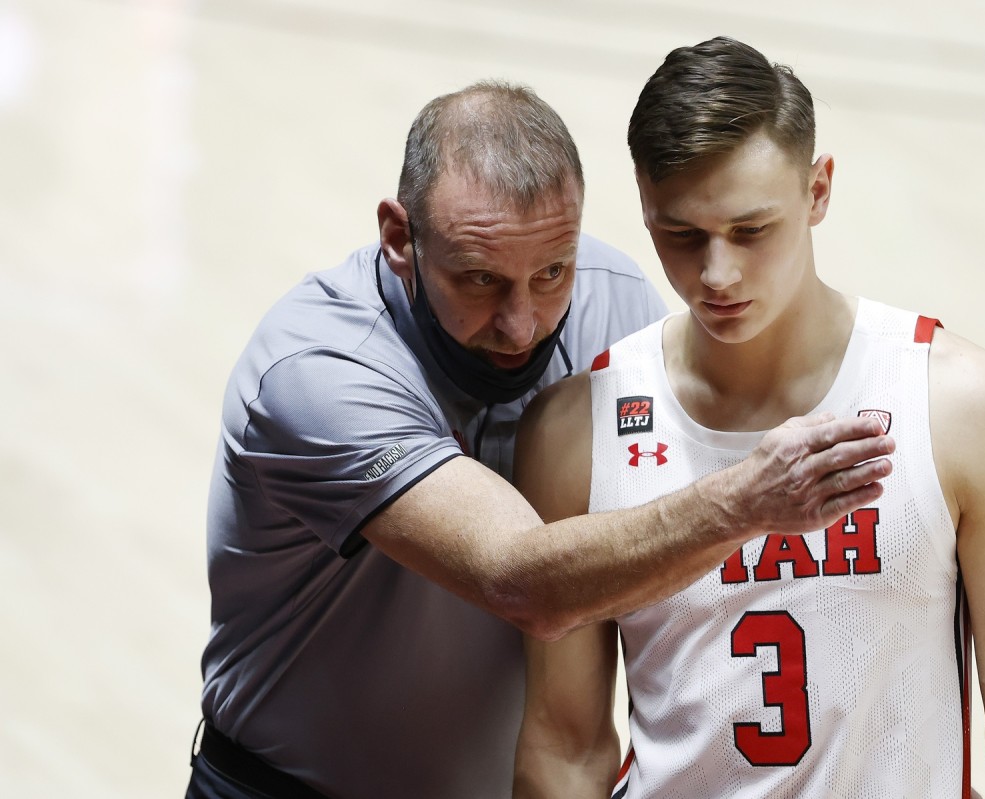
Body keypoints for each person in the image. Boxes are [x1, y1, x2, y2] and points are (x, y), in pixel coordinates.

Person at [187, 80, 897, 799]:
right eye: (480, 279)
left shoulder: (612, 302)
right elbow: (519, 581)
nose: (521, 324)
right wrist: (743, 503)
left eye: (553, 271)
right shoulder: (318, 370)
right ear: (401, 239)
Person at [513, 37, 985, 799]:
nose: (716, 274)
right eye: (681, 235)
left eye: (751, 231)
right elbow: (565, 743)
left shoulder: (965, 405)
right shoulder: (574, 431)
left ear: (818, 191)